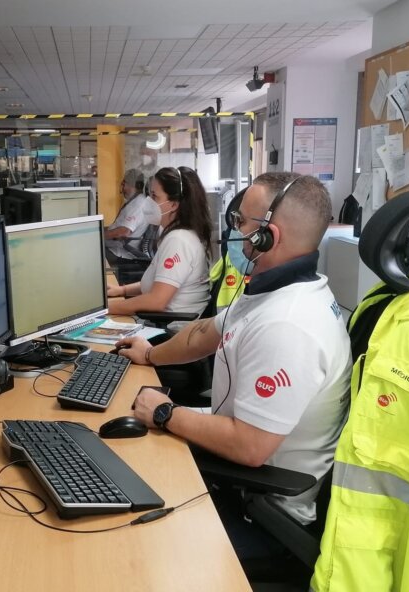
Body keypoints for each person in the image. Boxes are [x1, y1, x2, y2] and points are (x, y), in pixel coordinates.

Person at [115, 172, 352, 555]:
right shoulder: (278, 290)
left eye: (242, 221)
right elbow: (206, 333)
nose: (236, 231)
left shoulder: (288, 325)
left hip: (260, 511)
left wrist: (165, 413)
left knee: (129, 537)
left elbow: (249, 446)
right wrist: (149, 354)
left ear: (268, 235)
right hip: (239, 476)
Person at [107, 166, 212, 316]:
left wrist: (104, 310)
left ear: (174, 205)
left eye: (155, 196)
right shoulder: (178, 234)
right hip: (167, 322)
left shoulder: (178, 241)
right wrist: (122, 290)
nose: (148, 202)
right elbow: (160, 283)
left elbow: (156, 301)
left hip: (171, 325)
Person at [104, 169, 150, 264]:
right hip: (113, 247)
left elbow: (124, 232)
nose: (122, 188)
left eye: (124, 184)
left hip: (120, 253)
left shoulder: (139, 204)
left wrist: (100, 236)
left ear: (132, 185)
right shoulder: (134, 201)